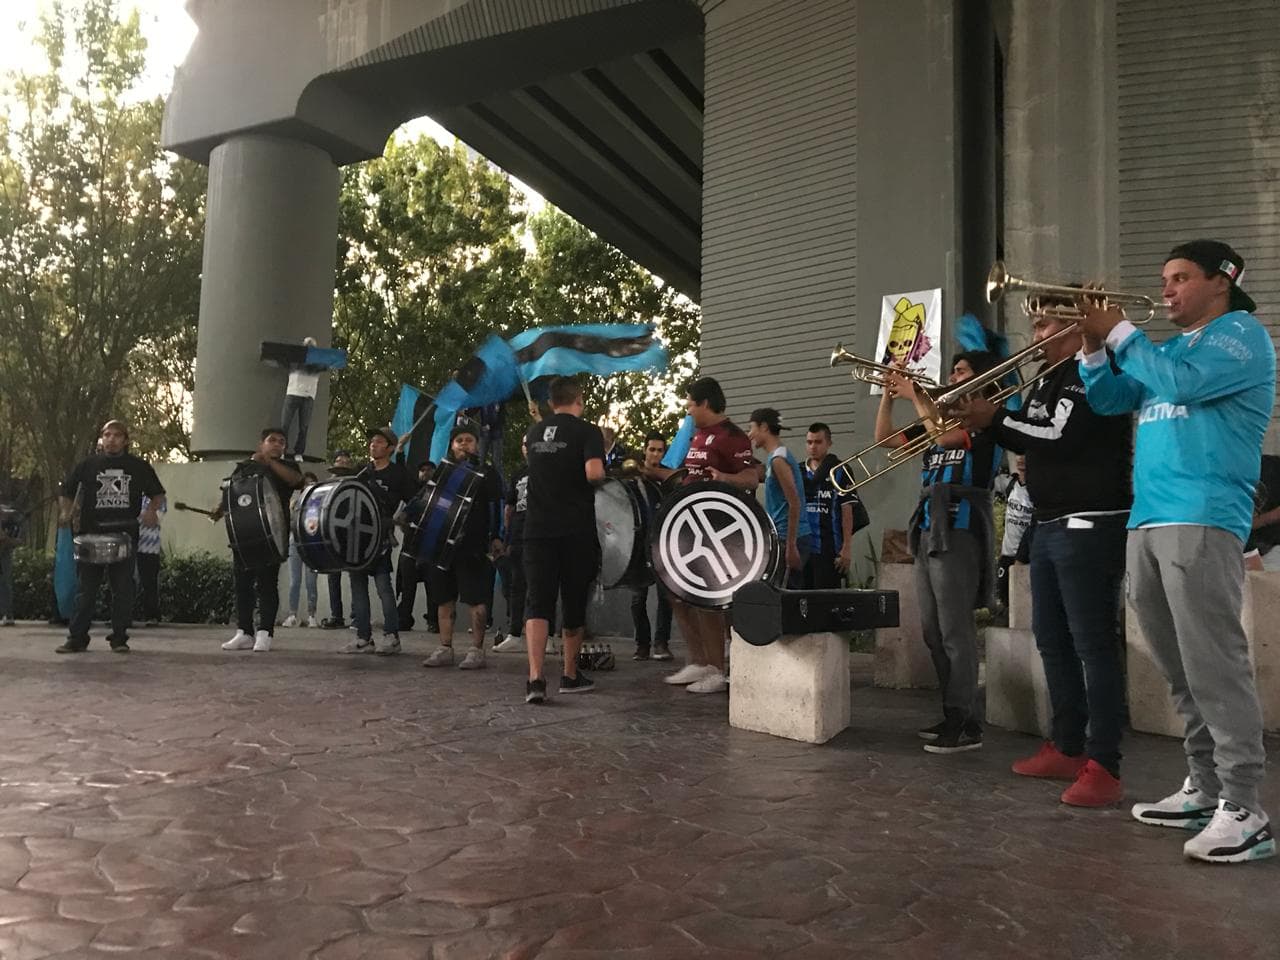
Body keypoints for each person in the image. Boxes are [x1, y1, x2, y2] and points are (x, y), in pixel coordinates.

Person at [1076, 239, 1275, 864]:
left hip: (1203, 516)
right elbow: (1111, 401)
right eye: (1164, 278)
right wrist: (1090, 347)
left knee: (1216, 664)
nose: (1166, 290)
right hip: (1150, 519)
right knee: (1178, 666)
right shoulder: (1167, 349)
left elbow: (1181, 386)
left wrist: (1123, 332)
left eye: (1180, 278)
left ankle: (1246, 806)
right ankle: (1205, 786)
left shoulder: (1241, 336)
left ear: (1222, 281)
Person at [959, 302, 1132, 807]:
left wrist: (994, 421)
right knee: (1052, 641)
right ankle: (1068, 744)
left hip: (1090, 523)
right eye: (1034, 323)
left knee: (1093, 645)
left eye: (1045, 323)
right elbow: (1032, 434)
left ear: (1079, 325)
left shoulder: (1091, 370)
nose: (1035, 332)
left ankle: (1105, 762)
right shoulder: (1047, 376)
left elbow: (1061, 435)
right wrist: (993, 420)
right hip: (1050, 520)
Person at [878, 353, 1002, 753]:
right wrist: (887, 396)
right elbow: (884, 439)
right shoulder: (937, 424)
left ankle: (965, 719)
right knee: (932, 631)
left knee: (955, 630)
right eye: (953, 370)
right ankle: (954, 711)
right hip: (929, 529)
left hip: (960, 529)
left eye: (962, 372)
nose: (952, 376)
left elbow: (948, 440)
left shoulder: (983, 425)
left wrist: (915, 394)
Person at [646, 377, 757, 695]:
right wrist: (656, 473)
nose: (688, 410)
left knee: (707, 599)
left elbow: (751, 477)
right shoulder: (698, 434)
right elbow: (690, 476)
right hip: (690, 526)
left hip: (718, 531)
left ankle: (717, 669)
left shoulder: (732, 436)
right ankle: (699, 660)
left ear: (706, 404)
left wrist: (723, 477)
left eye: (691, 404)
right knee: (677, 592)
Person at [522, 376, 606, 702]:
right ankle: (570, 676)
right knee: (573, 602)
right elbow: (594, 473)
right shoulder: (587, 431)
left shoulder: (533, 433)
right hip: (575, 529)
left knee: (537, 603)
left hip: (537, 529)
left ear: (551, 402)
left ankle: (535, 680)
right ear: (579, 399)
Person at [56, 420, 165, 653]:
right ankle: (76, 638)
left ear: (125, 440)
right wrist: (67, 511)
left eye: (117, 435)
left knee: (123, 589)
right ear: (101, 439)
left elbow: (158, 494)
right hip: (91, 533)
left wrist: (150, 511)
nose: (111, 439)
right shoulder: (87, 465)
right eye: (107, 434)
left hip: (124, 534)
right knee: (86, 590)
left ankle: (119, 638)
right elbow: (66, 490)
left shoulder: (138, 466)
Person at [422, 423, 502, 670]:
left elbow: (496, 506)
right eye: (460, 440)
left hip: (472, 545)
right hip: (441, 545)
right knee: (443, 598)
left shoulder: (487, 473)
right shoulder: (441, 472)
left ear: (477, 444)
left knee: (475, 599)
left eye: (469, 440)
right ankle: (445, 647)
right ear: (452, 445)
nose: (464, 444)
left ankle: (477, 650)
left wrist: (496, 536)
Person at [214, 428, 303, 652]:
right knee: (242, 585)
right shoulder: (245, 466)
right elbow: (232, 490)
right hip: (244, 535)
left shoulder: (287, 467)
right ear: (261, 444)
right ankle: (244, 632)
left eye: (281, 442)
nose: (277, 445)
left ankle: (265, 633)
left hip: (272, 535)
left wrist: (269, 463)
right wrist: (220, 508)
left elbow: (297, 481)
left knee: (267, 584)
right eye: (272, 440)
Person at [342, 427, 415, 655]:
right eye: (372, 441)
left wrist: (401, 518)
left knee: (384, 587)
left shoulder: (398, 474)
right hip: (358, 537)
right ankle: (363, 638)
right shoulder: (361, 472)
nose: (373, 445)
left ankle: (392, 636)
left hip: (380, 536)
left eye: (379, 442)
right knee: (358, 587)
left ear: (390, 448)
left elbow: (414, 500)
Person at [747, 408, 813, 589]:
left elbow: (794, 502)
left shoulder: (778, 459)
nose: (750, 434)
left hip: (790, 538)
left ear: (764, 428)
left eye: (752, 428)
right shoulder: (775, 458)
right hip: (784, 537)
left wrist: (791, 546)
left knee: (784, 598)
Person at [802, 422, 870, 589]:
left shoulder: (841, 470)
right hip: (804, 548)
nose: (813, 447)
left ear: (829, 444)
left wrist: (846, 548)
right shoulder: (798, 471)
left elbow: (847, 510)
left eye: (818, 442)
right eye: (809, 442)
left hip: (829, 549)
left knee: (826, 601)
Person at [631, 431, 673, 661]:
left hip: (662, 543)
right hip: (638, 543)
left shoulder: (666, 478)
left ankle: (661, 643)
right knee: (638, 597)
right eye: (652, 449)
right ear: (645, 450)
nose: (655, 454)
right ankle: (642, 644)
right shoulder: (634, 477)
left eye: (659, 450)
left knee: (665, 596)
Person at [494, 441, 530, 653]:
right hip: (517, 537)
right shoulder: (518, 473)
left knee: (542, 588)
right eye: (524, 443)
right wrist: (506, 539)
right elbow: (509, 508)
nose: (527, 446)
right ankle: (515, 634)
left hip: (542, 535)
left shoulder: (550, 468)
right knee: (516, 586)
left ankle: (548, 636)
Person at [396, 461, 439, 633]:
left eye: (430, 470)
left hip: (431, 548)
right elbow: (402, 516)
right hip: (411, 547)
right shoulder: (414, 493)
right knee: (407, 587)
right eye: (422, 470)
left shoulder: (441, 493)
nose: (426, 473)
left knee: (433, 587)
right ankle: (404, 619)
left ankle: (434, 621)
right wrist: (407, 527)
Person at [992, 456, 1034, 622]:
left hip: (1029, 557)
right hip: (1007, 554)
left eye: (1026, 457)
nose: (1021, 460)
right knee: (1004, 597)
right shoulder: (1010, 484)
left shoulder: (1039, 490)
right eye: (1019, 456)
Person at [321, 449, 354, 629]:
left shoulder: (354, 483)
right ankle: (337, 615)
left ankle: (357, 616)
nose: (342, 464)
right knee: (333, 577)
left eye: (345, 461)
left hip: (351, 534)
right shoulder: (327, 485)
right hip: (332, 534)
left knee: (355, 576)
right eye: (339, 461)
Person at [282, 472, 320, 628]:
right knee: (294, 581)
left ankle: (312, 615)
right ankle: (292, 615)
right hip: (295, 542)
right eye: (305, 484)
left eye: (312, 484)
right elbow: (289, 521)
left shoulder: (318, 502)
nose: (308, 487)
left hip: (312, 543)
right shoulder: (295, 501)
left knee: (311, 582)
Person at [280, 336, 323, 459]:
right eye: (306, 344)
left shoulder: (318, 362)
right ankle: (282, 451)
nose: (308, 346)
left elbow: (327, 365)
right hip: (293, 393)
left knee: (304, 427)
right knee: (285, 425)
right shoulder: (295, 359)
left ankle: (299, 452)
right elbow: (283, 359)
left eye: (311, 345)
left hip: (308, 396)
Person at [1244, 454, 1280, 571]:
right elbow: (1223, 523)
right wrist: (1270, 517)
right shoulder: (1266, 468)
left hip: (1246, 556)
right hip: (1213, 542)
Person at [134, 493, 165, 627]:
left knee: (149, 582)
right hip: (130, 544)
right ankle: (124, 615)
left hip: (149, 547)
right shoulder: (130, 495)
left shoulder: (158, 498)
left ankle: (152, 615)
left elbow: (151, 520)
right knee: (125, 582)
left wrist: (137, 517)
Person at [0, 499, 21, 626]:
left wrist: (6, 540)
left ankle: (8, 613)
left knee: (5, 583)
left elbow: (18, 541)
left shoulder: (13, 525)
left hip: (4, 554)